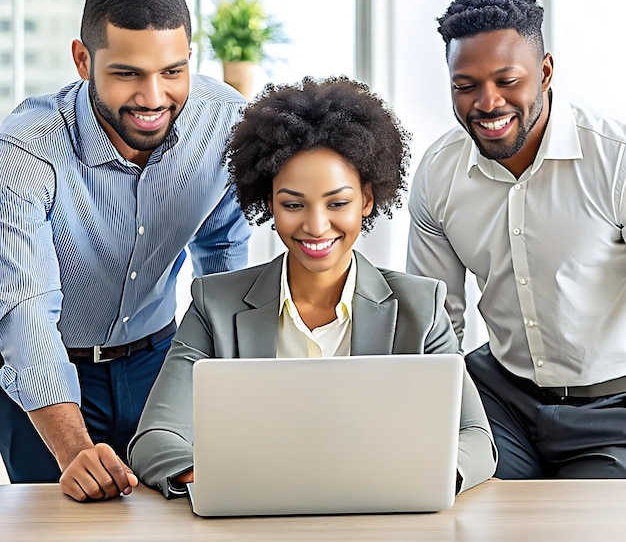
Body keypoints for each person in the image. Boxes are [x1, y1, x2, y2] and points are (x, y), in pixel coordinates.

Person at [128, 75, 497, 499]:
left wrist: (420, 479)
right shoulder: (215, 306)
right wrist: (222, 479)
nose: (316, 226)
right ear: (269, 203)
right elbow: (156, 437)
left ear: (368, 200)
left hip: (381, 516)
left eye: (338, 203)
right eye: (292, 204)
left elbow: (475, 438)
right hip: (256, 520)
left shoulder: (421, 307)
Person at [0, 0, 251, 501]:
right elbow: (25, 313)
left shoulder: (224, 122)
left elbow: (225, 257)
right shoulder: (26, 148)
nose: (154, 97)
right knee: (58, 526)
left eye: (172, 71)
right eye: (127, 74)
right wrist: (73, 451)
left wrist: (236, 391)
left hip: (160, 363)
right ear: (83, 60)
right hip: (47, 376)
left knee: (177, 518)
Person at [407, 0, 626, 479]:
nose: (488, 103)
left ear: (545, 73)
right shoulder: (440, 172)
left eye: (508, 81)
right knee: (461, 508)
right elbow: (437, 318)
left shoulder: (616, 161)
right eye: (465, 86)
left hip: (613, 409)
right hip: (500, 399)